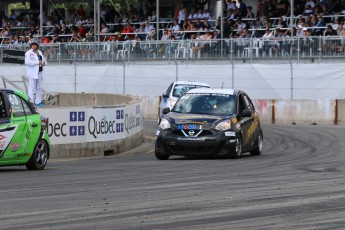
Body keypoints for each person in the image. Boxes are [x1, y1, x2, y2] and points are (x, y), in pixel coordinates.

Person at [24, 39, 47, 106]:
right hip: (32, 72)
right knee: (31, 87)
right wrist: (37, 62)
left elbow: (45, 61)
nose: (34, 45)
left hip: (40, 72)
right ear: (31, 45)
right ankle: (30, 102)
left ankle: (38, 102)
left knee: (39, 87)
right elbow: (27, 62)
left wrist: (43, 63)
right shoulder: (28, 53)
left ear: (37, 45)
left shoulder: (40, 52)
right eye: (33, 44)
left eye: (35, 44)